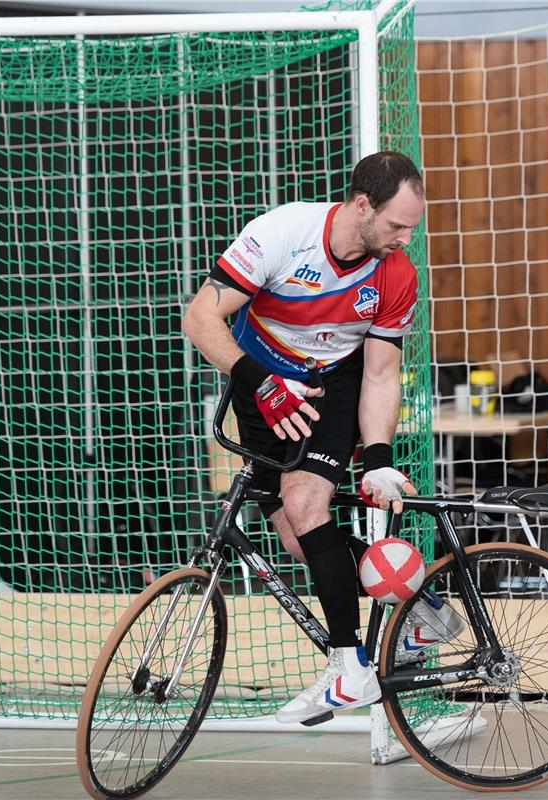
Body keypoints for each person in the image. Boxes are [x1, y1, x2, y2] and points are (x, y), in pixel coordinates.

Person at [182, 150, 464, 724]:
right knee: (294, 532)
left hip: (332, 388)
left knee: (305, 503)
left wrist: (378, 458)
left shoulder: (397, 274)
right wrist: (262, 386)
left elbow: (382, 374)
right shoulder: (282, 234)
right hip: (258, 381)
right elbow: (199, 319)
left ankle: (349, 667)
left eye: (413, 226)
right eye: (396, 225)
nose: (405, 239)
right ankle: (426, 610)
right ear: (362, 204)